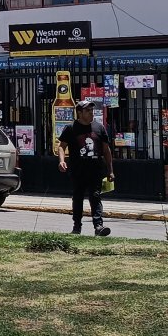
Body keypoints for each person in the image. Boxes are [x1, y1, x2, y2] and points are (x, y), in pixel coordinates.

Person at [57, 99, 115, 236]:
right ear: (79, 112)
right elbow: (61, 146)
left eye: (92, 110)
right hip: (78, 170)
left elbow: (106, 151)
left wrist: (110, 170)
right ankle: (77, 226)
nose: (91, 113)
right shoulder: (71, 128)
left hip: (95, 169)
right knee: (78, 197)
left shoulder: (99, 128)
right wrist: (61, 161)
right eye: (87, 110)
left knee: (95, 196)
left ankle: (98, 226)